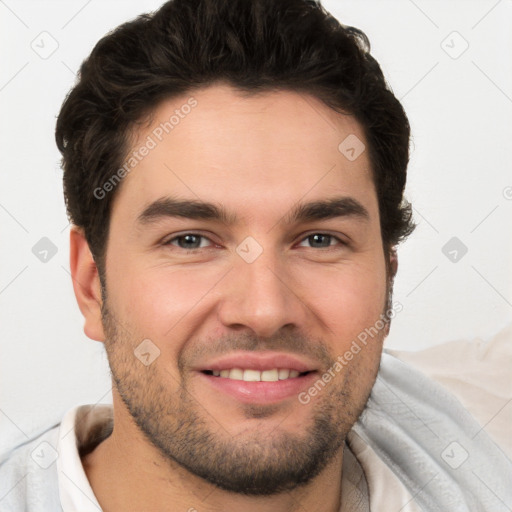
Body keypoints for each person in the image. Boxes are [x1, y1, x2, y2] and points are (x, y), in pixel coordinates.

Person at [1, 0, 511, 510]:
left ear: (387, 280)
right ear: (92, 285)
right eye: (191, 241)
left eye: (319, 240)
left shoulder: (472, 424)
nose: (265, 311)